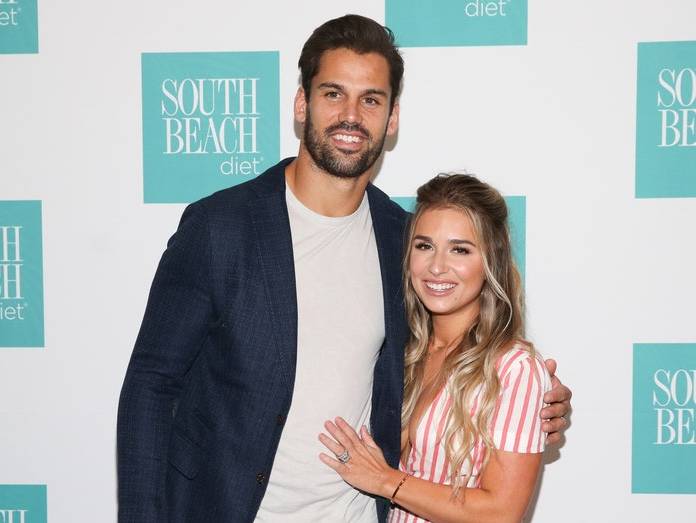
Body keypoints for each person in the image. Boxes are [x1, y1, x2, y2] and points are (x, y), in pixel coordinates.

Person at [117, 14, 571, 523]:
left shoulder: (403, 240)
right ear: (301, 103)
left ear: (392, 117)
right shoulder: (219, 227)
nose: (351, 116)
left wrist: (531, 403)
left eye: (371, 99)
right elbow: (150, 383)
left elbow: (450, 355)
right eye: (333, 94)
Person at [319, 173, 550, 523]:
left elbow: (502, 512)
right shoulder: (400, 352)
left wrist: (385, 480)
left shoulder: (513, 368)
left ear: (491, 261)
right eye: (424, 246)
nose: (437, 267)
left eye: (460, 249)